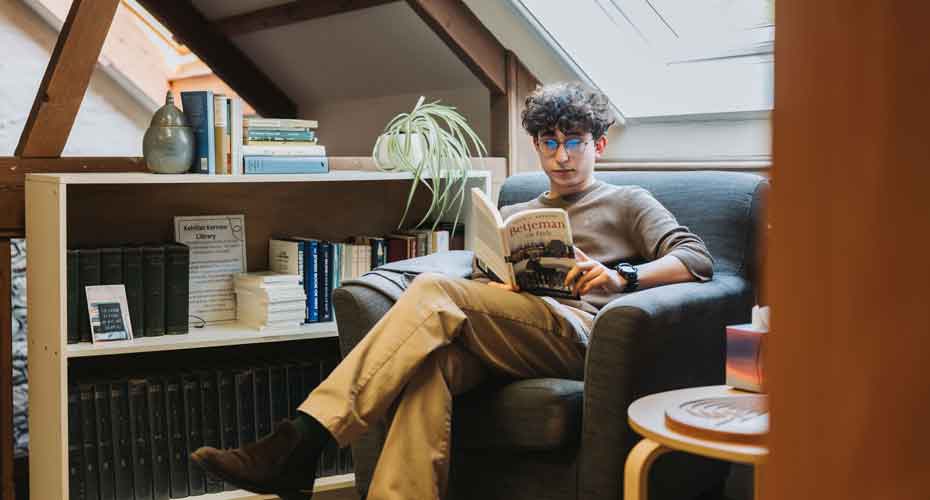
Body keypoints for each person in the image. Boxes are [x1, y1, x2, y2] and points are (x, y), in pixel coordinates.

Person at [190, 82, 713, 500]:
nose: (562, 155)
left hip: (577, 334)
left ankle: (301, 442)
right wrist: (497, 279)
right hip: (510, 327)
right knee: (429, 368)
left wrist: (622, 276)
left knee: (436, 289)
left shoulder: (627, 201)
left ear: (596, 144)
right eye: (549, 142)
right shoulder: (514, 213)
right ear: (536, 146)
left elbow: (697, 260)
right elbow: (481, 283)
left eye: (574, 141)